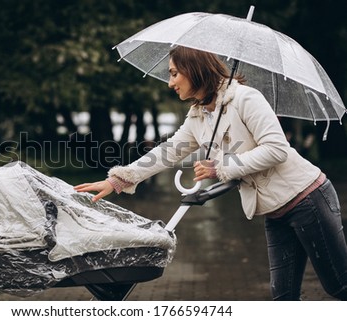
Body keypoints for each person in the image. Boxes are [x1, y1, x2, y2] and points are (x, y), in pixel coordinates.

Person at [73, 46, 347, 300]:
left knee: (338, 284)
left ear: (194, 70)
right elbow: (167, 151)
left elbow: (277, 149)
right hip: (275, 212)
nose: (170, 82)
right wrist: (118, 179)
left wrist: (221, 167)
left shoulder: (245, 98)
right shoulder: (199, 116)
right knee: (283, 298)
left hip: (307, 199)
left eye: (174, 73)